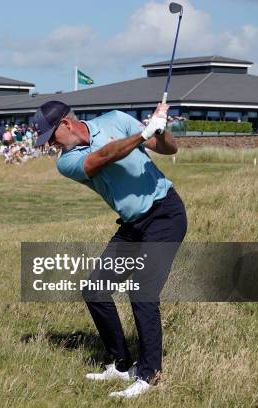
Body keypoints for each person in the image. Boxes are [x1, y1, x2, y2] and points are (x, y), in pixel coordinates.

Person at [32, 100, 187, 399]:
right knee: (95, 289)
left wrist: (160, 129)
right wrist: (142, 136)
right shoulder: (66, 162)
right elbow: (102, 157)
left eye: (51, 136)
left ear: (65, 123)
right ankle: (121, 364)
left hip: (165, 214)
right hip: (132, 225)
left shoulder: (115, 119)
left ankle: (148, 374)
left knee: (142, 291)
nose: (50, 144)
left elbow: (169, 149)